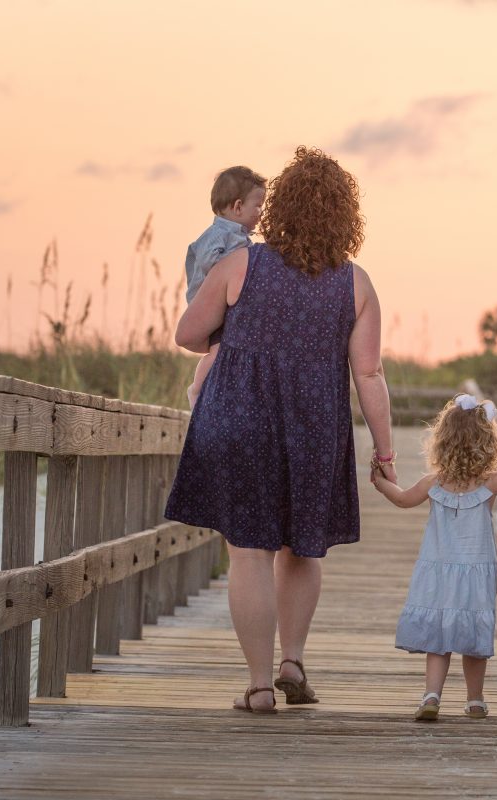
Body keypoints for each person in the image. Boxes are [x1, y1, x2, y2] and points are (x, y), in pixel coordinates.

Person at [166, 147, 394, 715]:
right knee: (302, 549)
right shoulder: (356, 283)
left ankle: (260, 685)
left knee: (249, 553)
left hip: (239, 415)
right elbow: (368, 372)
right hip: (315, 423)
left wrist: (230, 341)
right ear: (346, 215)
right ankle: (293, 659)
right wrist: (385, 451)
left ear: (278, 208)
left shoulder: (241, 265)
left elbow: (187, 334)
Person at [373, 394, 497, 722]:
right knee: (472, 635)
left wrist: (381, 482)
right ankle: (475, 699)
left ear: (443, 440)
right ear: (488, 442)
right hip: (476, 571)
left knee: (439, 637)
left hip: (437, 571)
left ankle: (431, 695)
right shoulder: (491, 483)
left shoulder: (433, 483)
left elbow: (403, 499)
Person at [183, 165, 267, 408]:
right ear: (238, 206)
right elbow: (210, 260)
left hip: (225, 304)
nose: (261, 212)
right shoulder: (218, 233)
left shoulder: (238, 235)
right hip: (209, 303)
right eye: (258, 206)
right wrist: (237, 266)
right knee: (217, 352)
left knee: (225, 351)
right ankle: (197, 390)